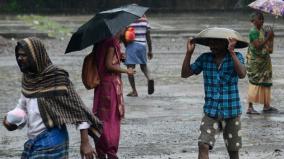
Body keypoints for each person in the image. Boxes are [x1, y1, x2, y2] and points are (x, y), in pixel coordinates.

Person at [2, 37, 103, 159]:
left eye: (24, 55)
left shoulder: (56, 78)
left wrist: (85, 142)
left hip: (52, 139)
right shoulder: (28, 79)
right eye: (18, 55)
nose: (19, 58)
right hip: (33, 140)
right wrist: (12, 122)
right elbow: (23, 107)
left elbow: (79, 111)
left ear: (36, 55)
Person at [181, 28, 247, 159]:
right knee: (203, 144)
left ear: (225, 43)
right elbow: (185, 74)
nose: (212, 46)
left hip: (231, 112)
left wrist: (232, 52)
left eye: (216, 43)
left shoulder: (237, 57)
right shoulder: (205, 58)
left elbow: (242, 74)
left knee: (233, 151)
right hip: (211, 112)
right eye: (210, 43)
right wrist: (189, 53)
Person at [93, 29, 135, 159]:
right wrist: (126, 70)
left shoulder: (101, 41)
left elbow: (104, 60)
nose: (128, 30)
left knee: (101, 117)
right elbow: (108, 65)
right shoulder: (112, 41)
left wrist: (119, 56)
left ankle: (100, 150)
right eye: (125, 28)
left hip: (101, 84)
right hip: (110, 85)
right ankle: (111, 151)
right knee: (112, 119)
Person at [246, 11, 278, 114]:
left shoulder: (263, 30)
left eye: (262, 19)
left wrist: (271, 38)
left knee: (266, 82)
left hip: (265, 61)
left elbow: (270, 50)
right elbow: (257, 46)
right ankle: (250, 107)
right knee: (254, 83)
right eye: (259, 19)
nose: (262, 21)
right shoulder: (253, 32)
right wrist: (268, 37)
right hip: (255, 62)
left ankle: (266, 106)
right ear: (254, 21)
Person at [124, 15, 154, 97]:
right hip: (142, 46)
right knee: (144, 66)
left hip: (132, 45)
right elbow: (148, 37)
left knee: (130, 69)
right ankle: (150, 78)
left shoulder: (128, 19)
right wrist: (150, 50)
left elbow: (124, 35)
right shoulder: (145, 20)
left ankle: (134, 91)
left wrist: (126, 46)